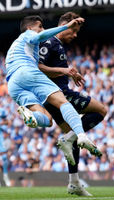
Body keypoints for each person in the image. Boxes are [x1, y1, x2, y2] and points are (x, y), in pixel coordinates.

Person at [5, 15, 101, 169]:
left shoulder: (15, 46)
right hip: (27, 72)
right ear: (30, 28)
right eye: (40, 26)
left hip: (13, 84)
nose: (42, 30)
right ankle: (81, 136)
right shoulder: (27, 35)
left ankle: (31, 116)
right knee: (63, 101)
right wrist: (66, 26)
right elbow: (42, 36)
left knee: (46, 120)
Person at [38, 12, 107, 196]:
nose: (75, 35)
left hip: (53, 97)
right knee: (101, 110)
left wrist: (68, 73)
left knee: (74, 140)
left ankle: (74, 182)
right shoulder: (49, 42)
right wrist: (65, 71)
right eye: (73, 31)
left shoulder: (57, 44)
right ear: (64, 26)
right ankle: (69, 137)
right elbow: (39, 67)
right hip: (59, 95)